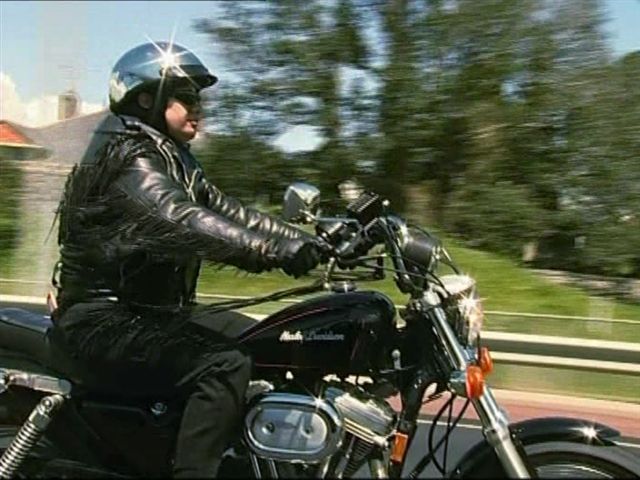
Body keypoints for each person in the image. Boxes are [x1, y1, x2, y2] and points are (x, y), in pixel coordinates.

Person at [50, 41, 326, 478]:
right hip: (105, 319)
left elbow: (231, 213)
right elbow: (181, 218)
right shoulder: (128, 155)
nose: (199, 108)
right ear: (147, 99)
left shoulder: (171, 155)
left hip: (152, 313)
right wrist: (273, 251)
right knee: (225, 365)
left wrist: (312, 240)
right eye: (187, 97)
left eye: (200, 98)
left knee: (272, 340)